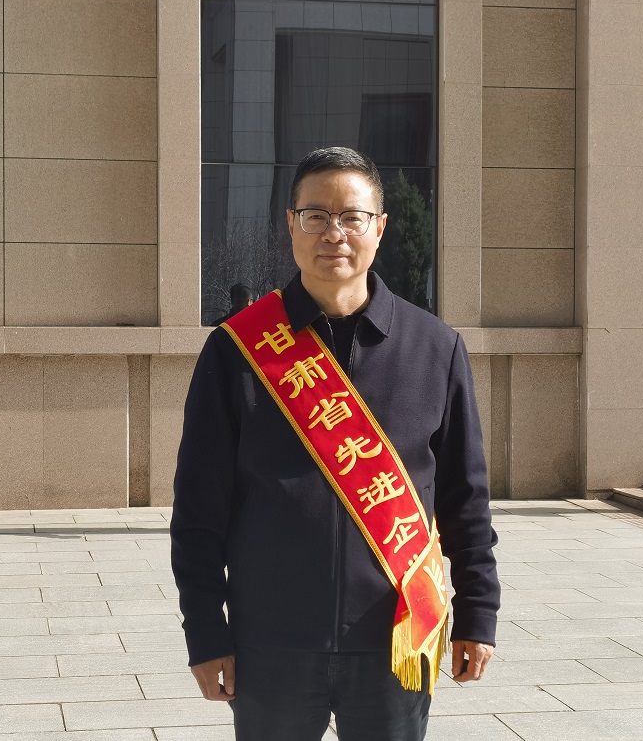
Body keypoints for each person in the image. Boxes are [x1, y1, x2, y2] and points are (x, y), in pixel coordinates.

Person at [171, 147, 500, 741]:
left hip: (396, 639)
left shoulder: (435, 348)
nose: (334, 233)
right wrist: (205, 632)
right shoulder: (236, 351)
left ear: (380, 227)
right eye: (315, 215)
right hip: (270, 643)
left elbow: (464, 499)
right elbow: (199, 508)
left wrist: (478, 612)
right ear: (290, 224)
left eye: (352, 217)